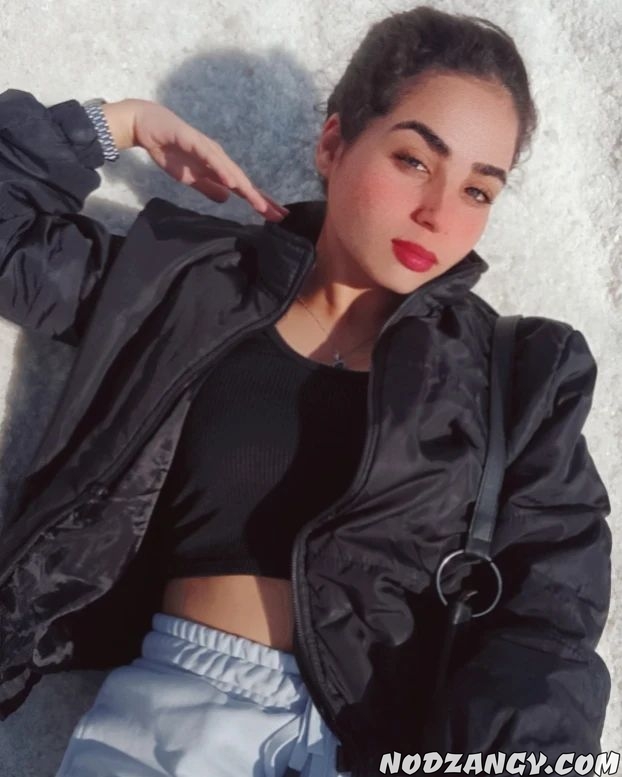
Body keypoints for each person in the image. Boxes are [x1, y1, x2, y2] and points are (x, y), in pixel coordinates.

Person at [0, 5, 612, 777]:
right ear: (333, 143)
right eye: (414, 160)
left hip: (381, 747)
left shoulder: (519, 374)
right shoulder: (186, 287)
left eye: (478, 191)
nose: (437, 213)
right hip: (167, 734)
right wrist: (116, 123)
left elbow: (549, 619)